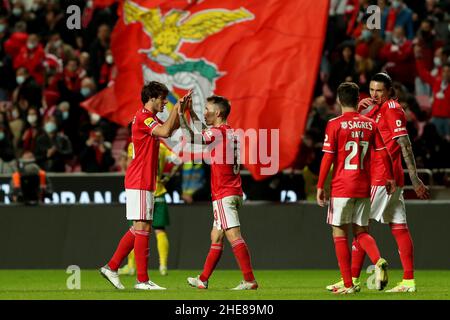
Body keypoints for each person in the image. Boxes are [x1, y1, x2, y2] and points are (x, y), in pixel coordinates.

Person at [328, 73, 430, 293]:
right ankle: (409, 281)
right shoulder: (375, 109)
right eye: (372, 90)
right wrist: (361, 108)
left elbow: (405, 143)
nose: (374, 94)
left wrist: (416, 178)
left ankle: (352, 281)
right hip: (390, 179)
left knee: (360, 229)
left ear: (390, 91)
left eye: (379, 91)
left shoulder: (392, 108)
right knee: (399, 227)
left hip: (381, 178)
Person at [99, 81, 187, 290]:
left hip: (146, 180)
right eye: (163, 98)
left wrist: (180, 111)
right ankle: (142, 280)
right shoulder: (143, 117)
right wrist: (176, 109)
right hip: (138, 179)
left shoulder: (152, 118)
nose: (165, 101)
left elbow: (170, 128)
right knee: (142, 227)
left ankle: (111, 267)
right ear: (152, 98)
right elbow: (166, 131)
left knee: (140, 227)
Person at [317, 82, 396, 294]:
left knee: (339, 232)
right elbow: (383, 152)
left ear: (339, 100)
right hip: (363, 186)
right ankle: (378, 260)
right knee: (361, 232)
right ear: (358, 98)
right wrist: (390, 177)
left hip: (342, 186)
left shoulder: (334, 124)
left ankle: (349, 284)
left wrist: (320, 185)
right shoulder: (370, 124)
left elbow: (328, 157)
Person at [180, 94, 258, 290]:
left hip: (224, 192)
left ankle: (249, 280)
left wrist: (181, 115)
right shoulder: (229, 132)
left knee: (234, 236)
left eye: (207, 110)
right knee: (216, 236)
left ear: (218, 112)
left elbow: (192, 137)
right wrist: (190, 112)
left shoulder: (218, 133)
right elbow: (206, 130)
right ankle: (203, 279)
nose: (204, 113)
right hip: (234, 190)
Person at [119, 142, 182, 276]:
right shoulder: (162, 146)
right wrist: (168, 177)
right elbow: (178, 160)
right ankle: (163, 266)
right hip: (158, 190)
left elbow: (130, 166)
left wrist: (123, 161)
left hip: (141, 189)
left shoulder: (134, 144)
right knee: (160, 230)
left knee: (136, 228)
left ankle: (131, 266)